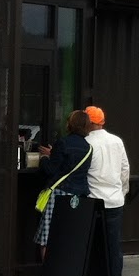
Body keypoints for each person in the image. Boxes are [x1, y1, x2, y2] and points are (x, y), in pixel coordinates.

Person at [34, 110, 94, 258]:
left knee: (48, 238)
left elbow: (51, 169)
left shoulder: (63, 142)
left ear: (70, 124)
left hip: (60, 194)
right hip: (79, 196)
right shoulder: (89, 148)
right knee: (70, 238)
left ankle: (50, 275)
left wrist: (43, 159)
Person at [83, 105, 131, 276]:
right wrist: (122, 191)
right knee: (113, 242)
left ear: (87, 122)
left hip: (92, 197)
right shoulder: (116, 141)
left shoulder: (86, 142)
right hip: (114, 198)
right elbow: (124, 169)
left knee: (89, 242)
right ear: (102, 121)